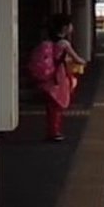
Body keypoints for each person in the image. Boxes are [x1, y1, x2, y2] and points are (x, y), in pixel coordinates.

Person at [28, 14, 86, 142]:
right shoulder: (64, 43)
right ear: (65, 28)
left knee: (51, 105)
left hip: (48, 75)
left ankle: (52, 131)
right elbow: (77, 59)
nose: (72, 27)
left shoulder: (48, 42)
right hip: (59, 77)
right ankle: (54, 132)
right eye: (70, 25)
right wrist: (83, 62)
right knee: (57, 105)